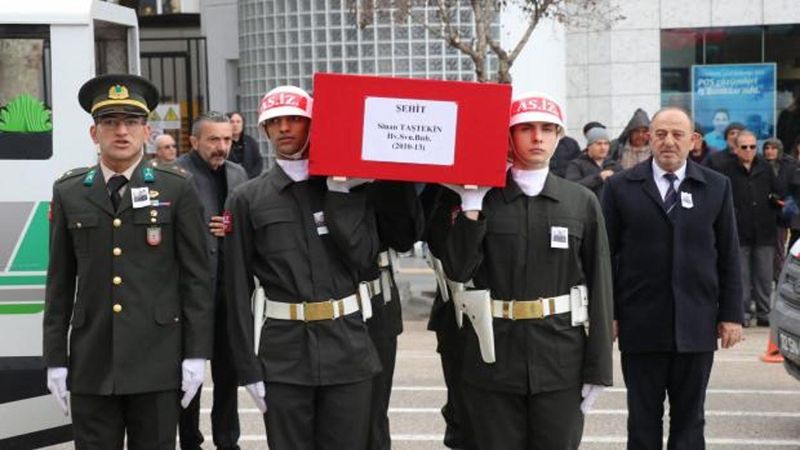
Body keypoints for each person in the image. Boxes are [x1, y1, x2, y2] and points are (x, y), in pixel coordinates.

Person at [430, 92, 614, 449]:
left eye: (547, 129)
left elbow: (601, 287)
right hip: (492, 359)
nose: (537, 137)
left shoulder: (580, 202)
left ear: (559, 136)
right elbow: (457, 268)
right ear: (509, 137)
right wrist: (471, 207)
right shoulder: (483, 198)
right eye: (526, 128)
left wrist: (598, 369)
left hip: (561, 359)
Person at [43, 74, 213, 448]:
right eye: (110, 122)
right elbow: (58, 283)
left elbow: (197, 277)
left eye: (131, 122)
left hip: (156, 361)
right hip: (92, 362)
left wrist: (197, 352)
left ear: (146, 130)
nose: (121, 131)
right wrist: (56, 357)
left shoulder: (175, 187)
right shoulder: (70, 192)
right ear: (94, 133)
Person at [224, 85, 381, 450]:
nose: (284, 129)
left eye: (294, 119)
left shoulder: (347, 187)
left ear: (312, 125)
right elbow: (235, 288)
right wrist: (247, 367)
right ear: (264, 130)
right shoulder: (246, 198)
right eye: (274, 122)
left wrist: (341, 196)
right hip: (284, 356)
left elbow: (364, 259)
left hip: (347, 348)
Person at [602, 106, 744, 450]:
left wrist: (731, 315)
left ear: (693, 141)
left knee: (690, 422)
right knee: (642, 421)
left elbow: (729, 254)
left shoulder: (715, 187)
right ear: (649, 138)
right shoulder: (622, 187)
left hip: (696, 325)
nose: (668, 141)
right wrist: (610, 314)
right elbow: (605, 258)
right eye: (661, 134)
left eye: (677, 134)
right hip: (640, 325)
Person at [176, 112, 248, 450]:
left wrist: (234, 228)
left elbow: (247, 224)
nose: (222, 147)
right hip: (187, 296)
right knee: (188, 379)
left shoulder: (238, 173)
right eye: (213, 140)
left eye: (227, 140)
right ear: (193, 141)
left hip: (228, 293)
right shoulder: (175, 174)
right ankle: (190, 440)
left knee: (228, 375)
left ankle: (227, 440)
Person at [361, 181, 424, 450]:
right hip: (330, 300)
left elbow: (405, 236)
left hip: (377, 302)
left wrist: (392, 181)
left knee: (374, 414)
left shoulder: (389, 183)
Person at [716, 131, 781, 327]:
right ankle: (742, 314)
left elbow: (777, 192)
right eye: (744, 147)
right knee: (740, 276)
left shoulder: (765, 167)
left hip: (764, 230)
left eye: (753, 146)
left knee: (764, 276)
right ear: (735, 148)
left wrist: (775, 206)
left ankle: (764, 313)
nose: (749, 151)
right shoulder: (726, 169)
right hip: (738, 232)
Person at [565, 126, 621, 198]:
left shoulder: (614, 165)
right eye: (598, 143)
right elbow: (571, 187)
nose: (603, 147)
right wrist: (598, 178)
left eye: (606, 143)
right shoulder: (576, 165)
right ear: (589, 146)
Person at [227, 111, 263, 179]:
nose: (235, 124)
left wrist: (249, 177)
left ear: (242, 124)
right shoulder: (222, 143)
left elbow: (258, 161)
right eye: (232, 122)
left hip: (249, 182)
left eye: (238, 122)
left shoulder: (250, 141)